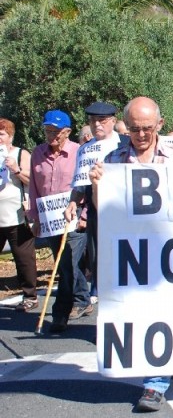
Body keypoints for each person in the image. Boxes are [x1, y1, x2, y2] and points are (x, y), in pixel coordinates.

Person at [88, 97, 173, 413]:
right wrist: (97, 186)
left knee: (168, 311)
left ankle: (159, 374)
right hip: (135, 253)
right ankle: (157, 377)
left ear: (159, 125)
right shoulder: (114, 159)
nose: (141, 135)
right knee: (148, 313)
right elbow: (103, 211)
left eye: (147, 128)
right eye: (134, 129)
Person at [27, 110, 88, 333]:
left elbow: (87, 185)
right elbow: (33, 186)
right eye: (47, 130)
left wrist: (85, 216)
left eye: (56, 131)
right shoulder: (38, 153)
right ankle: (82, 298)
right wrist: (34, 217)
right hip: (50, 218)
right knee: (65, 263)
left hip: (74, 216)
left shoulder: (79, 152)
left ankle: (59, 314)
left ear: (67, 132)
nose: (51, 135)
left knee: (67, 264)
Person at [65, 102, 127, 307]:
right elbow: (80, 182)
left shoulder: (125, 142)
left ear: (113, 121)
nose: (96, 125)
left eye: (102, 120)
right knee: (100, 260)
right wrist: (73, 201)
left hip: (125, 211)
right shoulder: (84, 149)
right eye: (92, 121)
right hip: (96, 212)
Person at [0, 118, 37, 313]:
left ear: (10, 136)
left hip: (16, 215)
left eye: (2, 134)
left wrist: (15, 169)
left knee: (24, 258)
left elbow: (32, 180)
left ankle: (29, 295)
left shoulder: (21, 153)